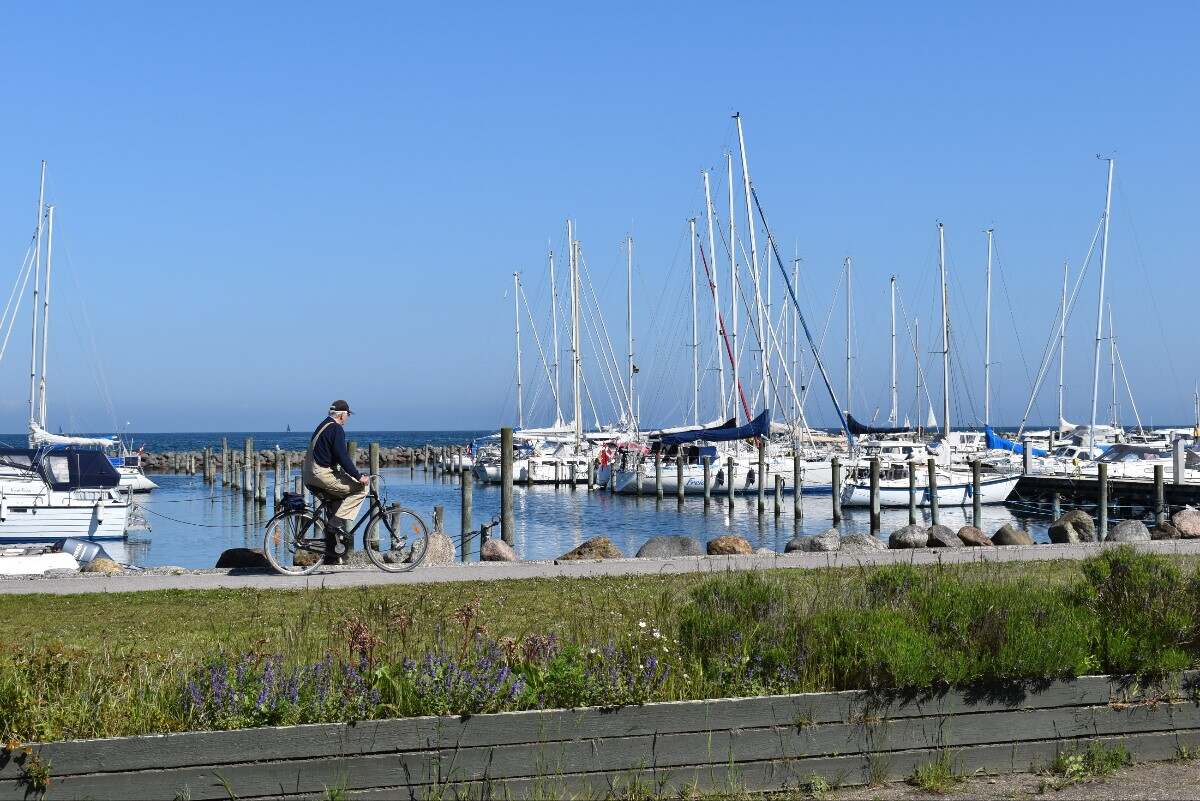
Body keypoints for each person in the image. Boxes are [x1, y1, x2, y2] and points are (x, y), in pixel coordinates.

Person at [303, 400, 369, 561]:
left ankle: (332, 554)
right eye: (347, 415)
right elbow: (343, 457)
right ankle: (333, 526)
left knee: (336, 504)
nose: (347, 419)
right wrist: (359, 477)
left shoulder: (323, 425)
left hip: (310, 474)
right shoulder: (336, 429)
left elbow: (330, 455)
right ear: (341, 415)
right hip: (321, 474)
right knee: (361, 489)